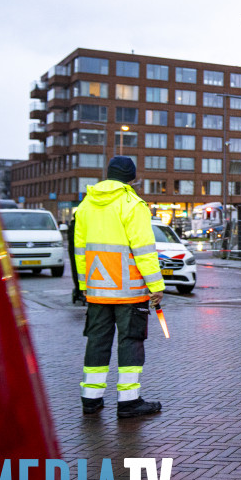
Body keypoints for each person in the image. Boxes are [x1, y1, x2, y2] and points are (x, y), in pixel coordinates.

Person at [74, 156, 165, 418]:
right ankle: (129, 401)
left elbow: (80, 250)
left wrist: (84, 285)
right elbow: (144, 250)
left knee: (97, 342)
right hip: (129, 290)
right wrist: (156, 285)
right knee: (131, 341)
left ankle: (91, 399)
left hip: (97, 289)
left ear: (108, 174)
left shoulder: (86, 204)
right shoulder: (132, 204)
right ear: (132, 178)